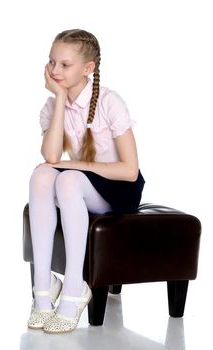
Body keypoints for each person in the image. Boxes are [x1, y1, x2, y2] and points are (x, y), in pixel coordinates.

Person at [27, 29, 145, 334]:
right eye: (51, 62)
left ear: (88, 69)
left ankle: (74, 288)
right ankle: (42, 292)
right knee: (41, 176)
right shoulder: (53, 105)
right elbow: (52, 157)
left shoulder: (109, 101)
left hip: (118, 189)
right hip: (82, 184)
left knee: (66, 181)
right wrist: (61, 96)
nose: (54, 70)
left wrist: (72, 166)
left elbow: (130, 170)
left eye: (65, 65)